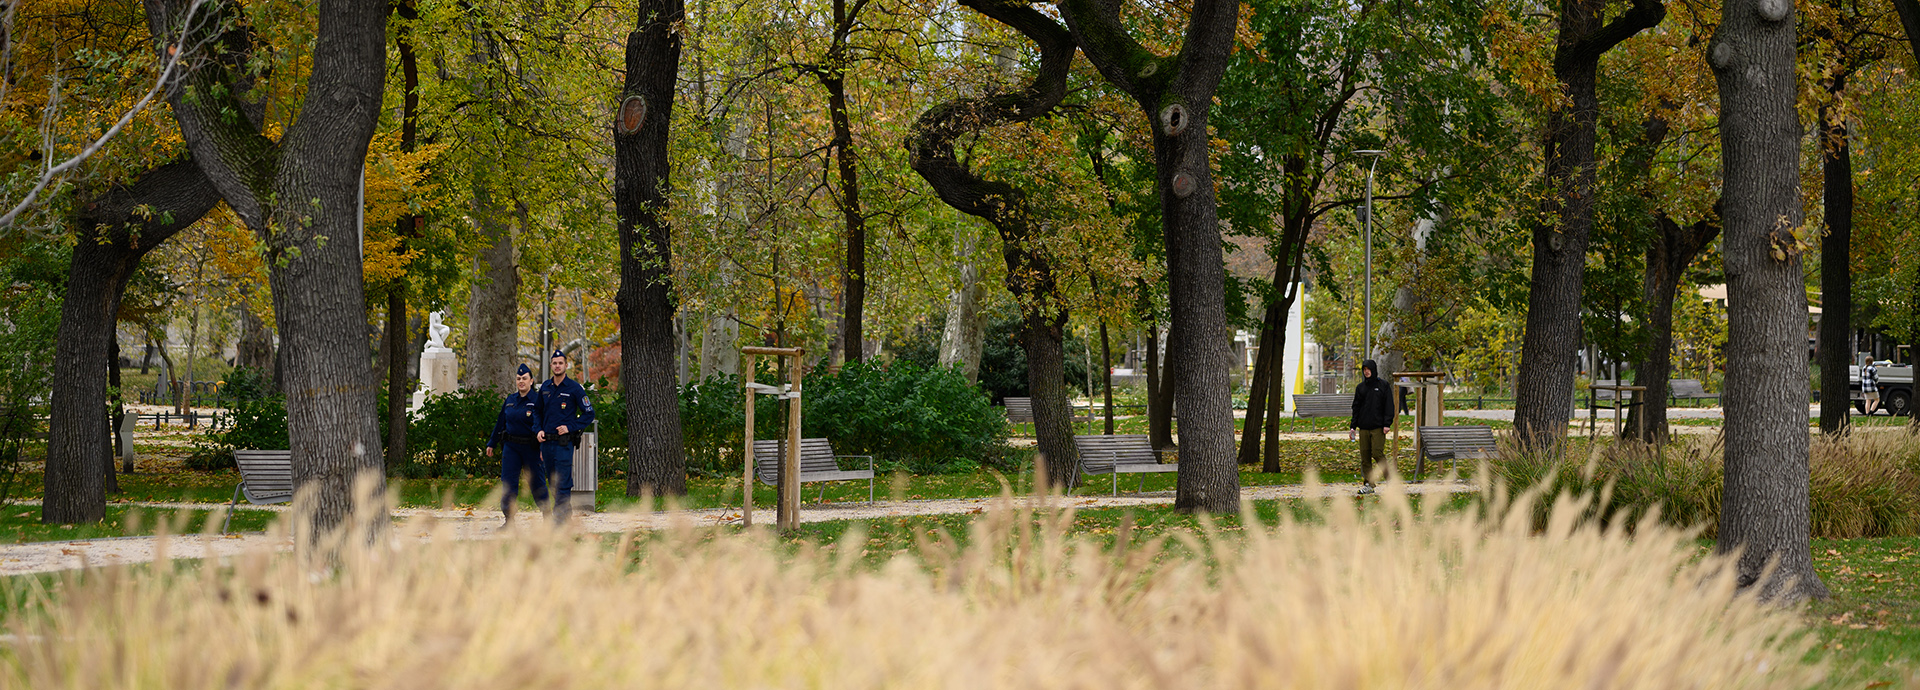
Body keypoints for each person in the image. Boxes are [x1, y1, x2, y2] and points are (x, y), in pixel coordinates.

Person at [538, 349, 596, 522]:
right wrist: (538, 429)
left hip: (564, 444)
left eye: (560, 363)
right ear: (551, 365)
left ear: (566, 365)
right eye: (555, 363)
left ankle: (559, 519)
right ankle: (565, 515)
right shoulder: (545, 387)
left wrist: (570, 427)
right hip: (547, 443)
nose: (557, 366)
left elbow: (589, 413)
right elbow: (537, 412)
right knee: (553, 482)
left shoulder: (574, 388)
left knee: (563, 481)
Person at [486, 363, 546, 526]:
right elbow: (500, 423)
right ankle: (509, 520)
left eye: (524, 378)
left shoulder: (538, 401)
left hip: (531, 448)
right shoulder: (510, 400)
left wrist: (543, 447)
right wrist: (492, 443)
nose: (521, 381)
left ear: (531, 381)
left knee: (537, 482)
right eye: (518, 378)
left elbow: (544, 426)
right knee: (508, 483)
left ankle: (547, 517)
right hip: (511, 447)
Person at [1347, 359, 1395, 495]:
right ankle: (1369, 484)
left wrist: (1387, 424)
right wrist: (1353, 426)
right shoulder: (1360, 388)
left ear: (1373, 370)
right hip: (1363, 427)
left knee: (1377, 453)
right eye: (1364, 370)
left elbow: (1389, 406)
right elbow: (1356, 408)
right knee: (1365, 457)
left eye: (1368, 369)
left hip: (1378, 427)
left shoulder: (1383, 386)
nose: (1366, 372)